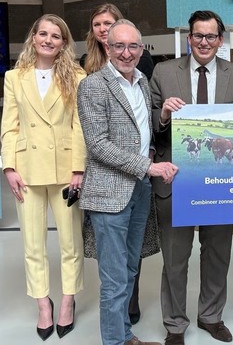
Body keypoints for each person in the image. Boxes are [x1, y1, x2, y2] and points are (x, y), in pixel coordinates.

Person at [150, 10, 233, 345]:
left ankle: (210, 316)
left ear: (220, 40)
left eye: (211, 36)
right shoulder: (164, 72)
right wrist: (164, 114)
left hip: (220, 182)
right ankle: (175, 325)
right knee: (175, 257)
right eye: (198, 35)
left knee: (218, 253)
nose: (204, 42)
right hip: (175, 180)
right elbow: (148, 122)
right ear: (189, 38)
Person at [77, 19, 178, 345]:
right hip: (109, 193)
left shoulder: (142, 82)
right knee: (114, 279)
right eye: (119, 45)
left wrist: (162, 122)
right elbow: (98, 145)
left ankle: (124, 335)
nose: (126, 52)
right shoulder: (93, 86)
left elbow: (143, 129)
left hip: (139, 190)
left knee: (130, 269)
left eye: (133, 46)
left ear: (141, 49)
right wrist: (149, 167)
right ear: (107, 48)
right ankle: (115, 341)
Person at [1, 14, 86, 341]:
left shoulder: (76, 76)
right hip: (27, 169)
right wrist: (9, 167)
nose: (49, 40)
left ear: (63, 43)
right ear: (33, 37)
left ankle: (67, 301)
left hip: (66, 170)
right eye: (43, 34)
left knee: (70, 243)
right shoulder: (14, 77)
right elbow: (9, 126)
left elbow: (80, 126)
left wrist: (78, 168)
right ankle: (43, 305)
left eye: (56, 36)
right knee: (33, 245)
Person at [81, 2, 155, 79]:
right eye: (97, 24)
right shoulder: (86, 61)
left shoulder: (141, 57)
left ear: (119, 25)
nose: (102, 29)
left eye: (107, 23)